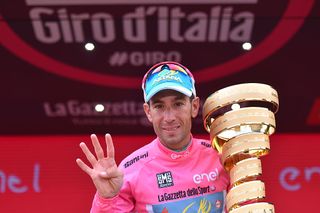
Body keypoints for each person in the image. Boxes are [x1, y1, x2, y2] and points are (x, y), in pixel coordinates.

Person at [76, 61, 229, 213]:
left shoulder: (223, 156)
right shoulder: (130, 170)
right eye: (159, 106)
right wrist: (108, 199)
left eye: (178, 104)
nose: (169, 117)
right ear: (148, 112)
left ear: (194, 106)